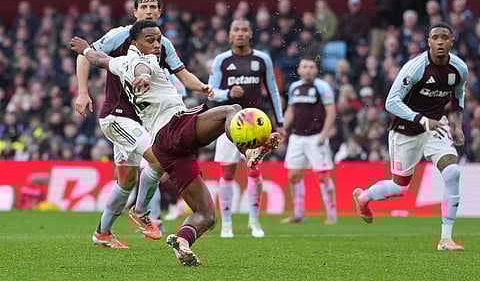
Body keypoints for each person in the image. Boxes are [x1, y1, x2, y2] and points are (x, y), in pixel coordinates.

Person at [70, 19, 281, 265]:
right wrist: (145, 77)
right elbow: (142, 69)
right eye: (150, 40)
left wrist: (85, 49)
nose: (157, 45)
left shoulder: (119, 62)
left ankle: (181, 242)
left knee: (206, 214)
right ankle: (249, 151)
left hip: (166, 148)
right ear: (134, 42)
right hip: (175, 127)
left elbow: (99, 60)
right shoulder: (143, 61)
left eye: (159, 39)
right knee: (231, 109)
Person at [352, 22, 468, 251]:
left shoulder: (459, 68)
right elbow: (391, 102)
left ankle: (446, 239)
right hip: (406, 131)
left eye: (445, 37)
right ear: (429, 42)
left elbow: (457, 96)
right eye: (436, 37)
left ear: (451, 42)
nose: (441, 41)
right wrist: (422, 120)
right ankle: (364, 198)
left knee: (453, 171)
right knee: (400, 188)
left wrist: (456, 124)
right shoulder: (415, 67)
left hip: (436, 128)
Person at [75, 0, 175, 248]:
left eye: (154, 6)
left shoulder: (158, 45)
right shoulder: (121, 34)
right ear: (135, 12)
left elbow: (171, 75)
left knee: (126, 181)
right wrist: (83, 92)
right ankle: (142, 212)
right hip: (117, 117)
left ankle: (102, 234)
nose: (149, 11)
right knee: (158, 157)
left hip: (135, 121)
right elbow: (86, 55)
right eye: (144, 7)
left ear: (160, 12)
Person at [208, 18, 284, 238]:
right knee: (228, 172)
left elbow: (273, 91)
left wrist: (279, 123)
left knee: (254, 170)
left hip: (257, 128)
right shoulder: (221, 61)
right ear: (230, 35)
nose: (240, 33)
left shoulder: (262, 59)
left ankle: (254, 219)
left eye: (244, 30)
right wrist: (228, 94)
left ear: (250, 34)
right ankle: (227, 224)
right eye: (236, 30)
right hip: (228, 127)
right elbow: (211, 91)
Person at [281, 58, 337, 225]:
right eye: (304, 67)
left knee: (322, 175)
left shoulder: (322, 87)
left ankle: (331, 214)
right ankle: (298, 214)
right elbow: (290, 110)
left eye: (311, 67)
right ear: (299, 70)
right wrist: (282, 128)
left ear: (316, 70)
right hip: (297, 137)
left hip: (316, 137)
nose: (308, 70)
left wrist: (324, 134)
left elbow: (331, 111)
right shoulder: (294, 88)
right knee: (293, 176)